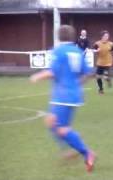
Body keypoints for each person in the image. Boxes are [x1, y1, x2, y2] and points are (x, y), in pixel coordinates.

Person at [30, 25, 96, 173]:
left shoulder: (58, 51)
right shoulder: (78, 51)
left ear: (58, 36)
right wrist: (77, 83)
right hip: (73, 94)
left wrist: (37, 76)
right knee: (51, 121)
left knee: (61, 127)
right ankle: (68, 148)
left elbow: (52, 73)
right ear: (72, 37)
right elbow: (89, 73)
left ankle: (85, 152)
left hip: (62, 95)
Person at [93, 30, 113, 94]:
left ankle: (108, 79)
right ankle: (101, 89)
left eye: (107, 36)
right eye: (105, 36)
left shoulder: (111, 44)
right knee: (98, 77)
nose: (107, 37)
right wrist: (96, 51)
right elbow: (94, 50)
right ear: (102, 36)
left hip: (108, 62)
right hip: (100, 62)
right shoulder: (97, 43)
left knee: (105, 75)